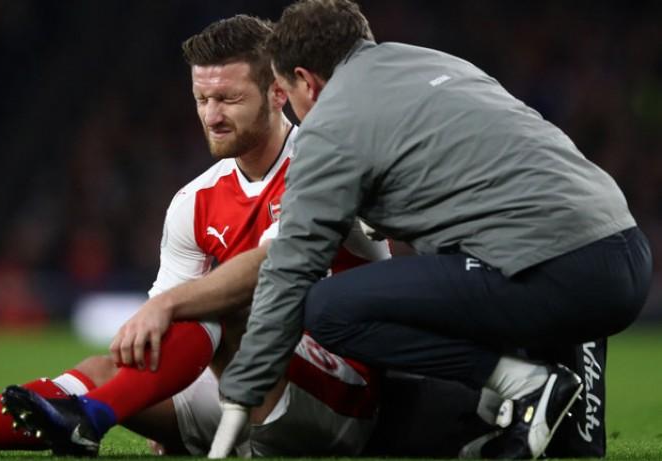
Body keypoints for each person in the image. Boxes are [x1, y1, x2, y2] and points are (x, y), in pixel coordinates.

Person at [0, 15, 388, 458]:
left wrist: (171, 306)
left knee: (223, 302)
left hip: (340, 396)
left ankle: (91, 417)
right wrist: (152, 373)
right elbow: (163, 328)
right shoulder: (194, 201)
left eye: (228, 98)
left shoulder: (324, 162)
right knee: (108, 367)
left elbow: (271, 266)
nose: (212, 116)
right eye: (202, 98)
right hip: (248, 396)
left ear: (277, 92)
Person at [213, 1, 653, 459]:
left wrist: (243, 392)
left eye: (289, 93)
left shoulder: (329, 123)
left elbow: (290, 269)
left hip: (553, 270)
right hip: (621, 252)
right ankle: (563, 425)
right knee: (566, 451)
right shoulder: (437, 64)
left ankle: (520, 383)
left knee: (328, 307)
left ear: (305, 80)